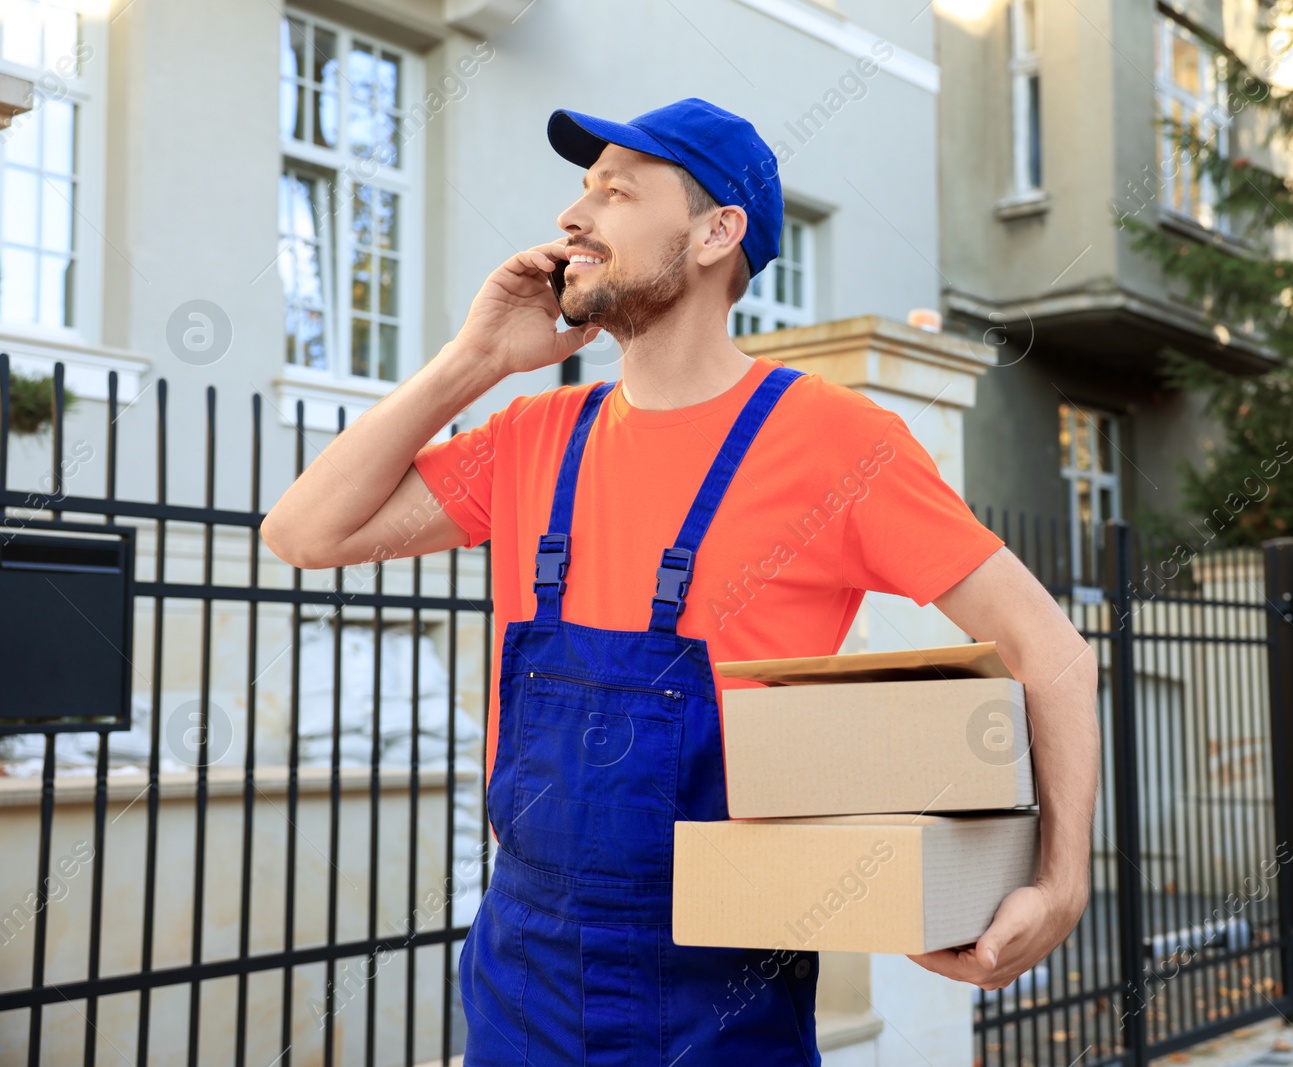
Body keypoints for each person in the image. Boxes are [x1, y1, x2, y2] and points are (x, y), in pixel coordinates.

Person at [262, 97, 1099, 1066]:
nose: (574, 217)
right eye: (579, 191)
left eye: (615, 192)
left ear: (715, 232)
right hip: (519, 968)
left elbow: (1052, 650)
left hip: (716, 991)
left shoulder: (834, 444)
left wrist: (1060, 878)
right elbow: (302, 530)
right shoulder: (535, 439)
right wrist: (475, 358)